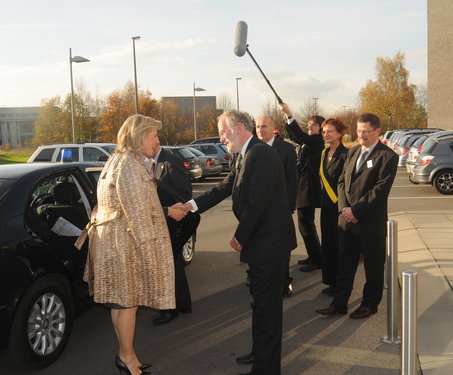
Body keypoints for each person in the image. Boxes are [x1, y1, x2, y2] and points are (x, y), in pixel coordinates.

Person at [175, 110, 296, 375]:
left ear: (239, 127)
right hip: (261, 245)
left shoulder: (260, 154)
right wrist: (190, 205)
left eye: (223, 131)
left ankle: (266, 368)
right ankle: (260, 354)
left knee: (267, 309)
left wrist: (239, 237)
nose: (221, 137)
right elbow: (225, 187)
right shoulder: (244, 155)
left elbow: (258, 203)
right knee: (259, 304)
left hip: (269, 246)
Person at [79, 114, 181, 375]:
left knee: (121, 303)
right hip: (122, 245)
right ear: (139, 136)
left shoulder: (120, 159)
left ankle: (127, 355)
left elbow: (133, 206)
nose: (157, 141)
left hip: (115, 243)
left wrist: (166, 211)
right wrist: (152, 257)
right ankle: (127, 358)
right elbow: (137, 214)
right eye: (154, 135)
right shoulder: (128, 165)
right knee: (127, 304)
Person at [316, 113, 398, 319]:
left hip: (370, 223)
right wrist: (345, 209)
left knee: (373, 268)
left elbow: (380, 190)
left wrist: (356, 211)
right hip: (348, 222)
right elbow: (342, 181)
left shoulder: (388, 156)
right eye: (359, 131)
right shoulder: (352, 153)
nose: (361, 135)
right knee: (344, 266)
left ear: (377, 131)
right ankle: (339, 303)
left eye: (365, 131)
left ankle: (370, 304)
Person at [151, 143, 200, 325]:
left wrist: (173, 210)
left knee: (166, 265)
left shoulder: (170, 161)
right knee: (174, 263)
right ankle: (183, 304)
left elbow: (184, 192)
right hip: (162, 221)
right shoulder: (150, 163)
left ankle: (169, 309)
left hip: (171, 221)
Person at [255, 115, 298, 296]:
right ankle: (257, 277)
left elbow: (292, 180)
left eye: (264, 126)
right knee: (258, 246)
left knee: (281, 248)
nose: (260, 130)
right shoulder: (252, 149)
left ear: (273, 127)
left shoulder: (286, 149)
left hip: (279, 210)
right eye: (257, 127)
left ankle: (284, 281)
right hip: (257, 211)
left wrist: (288, 206)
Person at [279, 103, 324, 272]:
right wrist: (286, 118)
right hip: (303, 188)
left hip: (308, 189)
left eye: (314, 124)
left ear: (321, 129)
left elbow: (300, 135)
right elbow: (295, 135)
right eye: (310, 123)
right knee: (305, 225)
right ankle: (314, 256)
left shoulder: (316, 141)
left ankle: (316, 259)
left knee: (306, 225)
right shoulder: (308, 141)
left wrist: (290, 114)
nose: (310, 125)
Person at [317, 118, 348, 296]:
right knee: (328, 245)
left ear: (339, 133)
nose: (326, 134)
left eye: (330, 131)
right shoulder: (323, 153)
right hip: (326, 206)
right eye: (324, 131)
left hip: (340, 207)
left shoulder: (346, 154)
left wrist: (344, 205)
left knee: (340, 247)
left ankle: (341, 284)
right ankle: (330, 281)